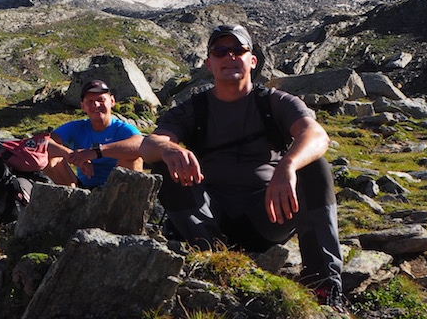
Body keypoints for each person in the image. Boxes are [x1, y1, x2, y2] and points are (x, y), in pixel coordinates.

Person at [101, 24, 347, 312]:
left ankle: (324, 286)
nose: (229, 56)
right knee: (165, 161)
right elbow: (150, 144)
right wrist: (169, 149)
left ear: (252, 60)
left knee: (315, 166)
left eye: (238, 50)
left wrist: (288, 165)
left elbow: (316, 135)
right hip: (206, 220)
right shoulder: (194, 107)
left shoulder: (275, 102)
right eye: (220, 51)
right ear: (209, 63)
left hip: (267, 216)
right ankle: (209, 260)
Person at [46, 79, 144, 189]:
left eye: (101, 100)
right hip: (82, 188)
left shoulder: (121, 128)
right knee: (49, 156)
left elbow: (140, 144)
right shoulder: (76, 127)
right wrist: (70, 154)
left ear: (112, 101)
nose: (96, 105)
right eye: (90, 101)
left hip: (117, 189)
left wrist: (95, 152)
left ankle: (126, 199)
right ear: (83, 106)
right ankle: (69, 196)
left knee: (134, 157)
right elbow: (43, 143)